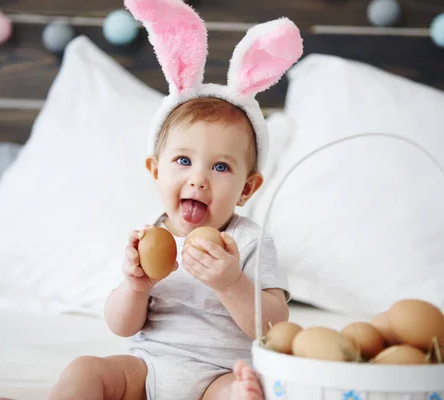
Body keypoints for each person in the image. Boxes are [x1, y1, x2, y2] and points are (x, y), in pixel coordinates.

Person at [48, 1, 303, 399]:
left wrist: (231, 282)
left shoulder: (249, 243)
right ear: (155, 171)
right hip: (147, 370)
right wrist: (135, 286)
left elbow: (274, 327)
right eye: (183, 161)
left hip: (219, 376)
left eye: (221, 167)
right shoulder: (151, 239)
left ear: (247, 189)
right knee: (85, 371)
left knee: (242, 393)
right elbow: (121, 326)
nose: (198, 179)